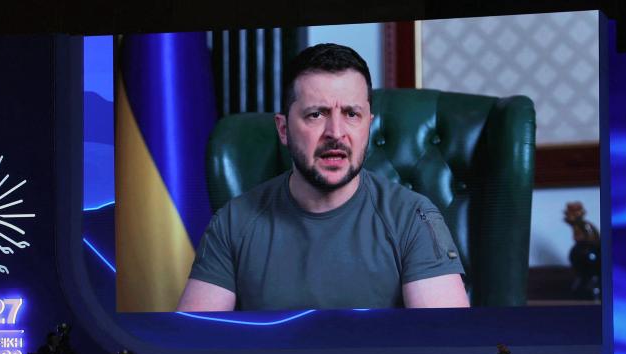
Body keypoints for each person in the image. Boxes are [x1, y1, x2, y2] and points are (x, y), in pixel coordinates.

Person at [178, 43, 469, 312]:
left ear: (369, 125)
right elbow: (192, 348)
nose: (336, 133)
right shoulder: (234, 222)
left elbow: (447, 346)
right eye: (316, 114)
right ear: (283, 129)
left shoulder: (414, 218)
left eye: (352, 114)